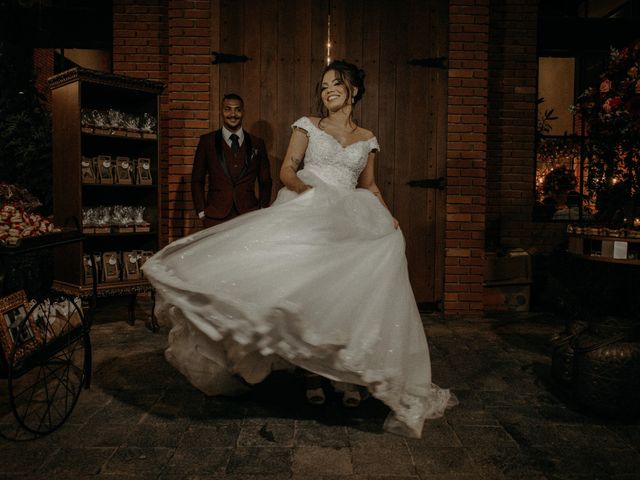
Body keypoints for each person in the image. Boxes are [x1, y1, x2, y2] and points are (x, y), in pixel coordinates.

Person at [143, 60, 455, 438]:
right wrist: (317, 195)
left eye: (335, 84)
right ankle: (310, 375)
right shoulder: (307, 125)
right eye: (323, 86)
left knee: (344, 297)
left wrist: (389, 218)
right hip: (309, 211)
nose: (327, 91)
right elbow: (287, 172)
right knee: (306, 295)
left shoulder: (368, 138)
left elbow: (369, 186)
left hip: (348, 221)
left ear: (353, 90)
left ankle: (347, 377)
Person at [191, 93, 272, 228]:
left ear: (243, 112)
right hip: (214, 217)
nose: (233, 114)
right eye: (227, 109)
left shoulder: (258, 143)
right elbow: (197, 180)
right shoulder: (207, 141)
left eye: (237, 109)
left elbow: (265, 181)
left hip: (249, 215)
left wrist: (263, 209)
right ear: (221, 112)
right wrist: (201, 211)